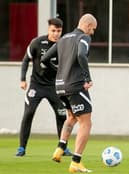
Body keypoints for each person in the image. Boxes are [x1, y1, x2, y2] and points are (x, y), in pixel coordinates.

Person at [41, 13, 97, 173]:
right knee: (86, 122)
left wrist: (59, 72)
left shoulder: (63, 38)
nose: (92, 32)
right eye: (92, 29)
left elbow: (44, 58)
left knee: (71, 117)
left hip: (60, 86)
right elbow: (80, 54)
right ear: (87, 26)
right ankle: (76, 162)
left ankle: (60, 147)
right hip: (76, 86)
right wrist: (88, 78)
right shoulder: (84, 38)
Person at [16, 18, 72, 157]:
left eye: (59, 31)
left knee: (61, 116)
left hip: (55, 87)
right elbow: (25, 60)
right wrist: (23, 79)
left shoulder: (64, 45)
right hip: (37, 85)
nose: (56, 34)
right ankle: (22, 148)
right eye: (53, 31)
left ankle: (63, 148)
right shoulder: (37, 43)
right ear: (48, 30)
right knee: (28, 113)